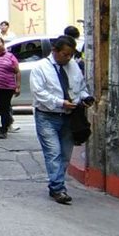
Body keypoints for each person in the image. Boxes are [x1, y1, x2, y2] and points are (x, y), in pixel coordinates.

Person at [30, 34, 93, 205]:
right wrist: (60, 102)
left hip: (69, 117)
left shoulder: (72, 66)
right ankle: (58, 188)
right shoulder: (40, 68)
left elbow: (80, 87)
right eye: (65, 54)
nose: (68, 58)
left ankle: (55, 184)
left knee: (65, 154)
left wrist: (85, 97)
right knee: (53, 153)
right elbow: (39, 93)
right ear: (55, 51)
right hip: (47, 116)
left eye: (70, 55)